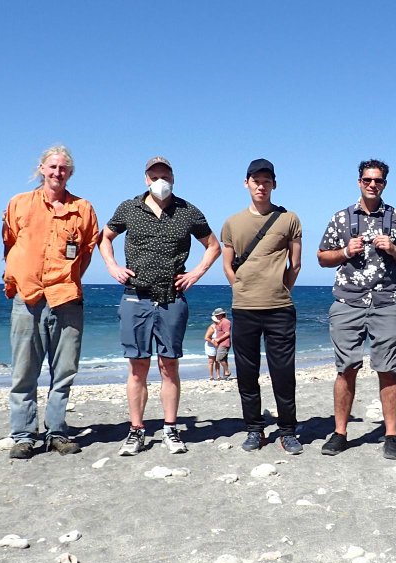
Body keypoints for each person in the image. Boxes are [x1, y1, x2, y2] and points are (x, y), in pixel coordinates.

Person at [100, 156, 220, 456]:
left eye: (164, 175)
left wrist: (196, 273)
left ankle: (170, 428)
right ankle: (136, 430)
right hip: (134, 296)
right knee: (138, 367)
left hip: (172, 298)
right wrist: (112, 265)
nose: (160, 181)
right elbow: (104, 238)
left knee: (169, 366)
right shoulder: (128, 208)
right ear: (145, 178)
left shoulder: (187, 211)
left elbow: (214, 246)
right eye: (154, 175)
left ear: (173, 178)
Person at [317, 159, 396, 460]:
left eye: (378, 180)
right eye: (367, 180)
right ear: (359, 182)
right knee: (346, 369)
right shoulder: (341, 218)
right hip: (348, 302)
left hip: (386, 302)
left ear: (385, 183)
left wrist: (394, 249)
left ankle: (391, 434)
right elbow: (323, 257)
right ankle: (340, 433)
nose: (372, 185)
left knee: (387, 369)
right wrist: (345, 252)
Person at [2, 144, 100, 461]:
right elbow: (10, 244)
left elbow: (85, 252)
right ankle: (23, 436)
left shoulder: (83, 209)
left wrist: (66, 280)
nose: (57, 172)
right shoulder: (19, 204)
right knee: (23, 373)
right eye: (52, 167)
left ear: (70, 173)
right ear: (41, 169)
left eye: (63, 168)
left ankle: (56, 432)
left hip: (67, 299)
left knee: (64, 372)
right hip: (27, 298)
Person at [221, 158, 304, 453]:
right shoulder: (232, 222)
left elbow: (295, 263)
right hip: (244, 308)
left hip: (279, 308)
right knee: (246, 372)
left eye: (266, 181)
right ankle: (254, 429)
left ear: (274, 185)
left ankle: (287, 430)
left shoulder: (289, 219)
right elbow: (228, 264)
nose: (261, 185)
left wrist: (281, 288)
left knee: (283, 372)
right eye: (256, 180)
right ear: (246, 183)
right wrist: (240, 288)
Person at [204, 308, 232, 380]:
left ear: (221, 315)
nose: (216, 317)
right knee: (223, 358)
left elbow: (227, 333)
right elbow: (207, 337)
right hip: (219, 343)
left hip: (223, 343)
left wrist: (218, 339)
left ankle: (227, 372)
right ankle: (225, 374)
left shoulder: (225, 322)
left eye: (217, 315)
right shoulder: (219, 323)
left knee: (219, 358)